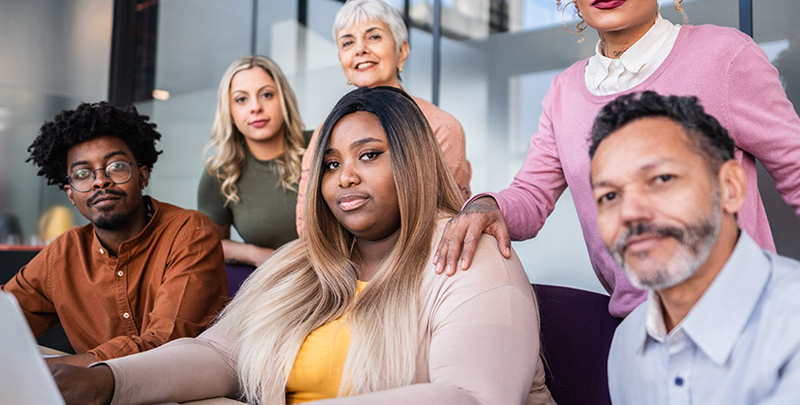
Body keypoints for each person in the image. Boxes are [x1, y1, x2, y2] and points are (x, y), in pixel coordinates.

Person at [433, 0, 800, 318]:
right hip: (637, 330)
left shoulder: (724, 57)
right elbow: (530, 197)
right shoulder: (565, 91)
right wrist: (486, 204)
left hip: (744, 316)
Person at [53, 87, 553, 405]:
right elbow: (222, 355)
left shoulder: (467, 250)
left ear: (415, 161)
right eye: (331, 164)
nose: (345, 177)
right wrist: (106, 381)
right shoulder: (303, 262)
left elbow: (469, 397)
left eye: (369, 155)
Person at [589, 91, 800, 403]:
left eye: (662, 178)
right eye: (609, 196)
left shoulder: (791, 322)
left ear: (730, 188)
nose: (630, 212)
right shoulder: (626, 343)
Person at [2, 102, 227, 367]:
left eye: (116, 166)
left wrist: (54, 370)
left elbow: (164, 346)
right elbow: (6, 318)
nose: (100, 181)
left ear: (142, 176)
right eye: (82, 173)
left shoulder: (189, 232)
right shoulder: (63, 253)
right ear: (71, 194)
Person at [296, 0, 471, 233]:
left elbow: (447, 221)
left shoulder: (440, 126)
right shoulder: (324, 133)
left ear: (402, 51)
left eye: (374, 37)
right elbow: (307, 225)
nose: (360, 49)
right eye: (347, 43)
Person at [198, 56, 311, 266]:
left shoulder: (320, 145)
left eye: (266, 95)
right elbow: (212, 243)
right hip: (277, 280)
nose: (255, 107)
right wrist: (256, 254)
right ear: (229, 110)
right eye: (241, 99)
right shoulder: (219, 172)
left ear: (284, 99)